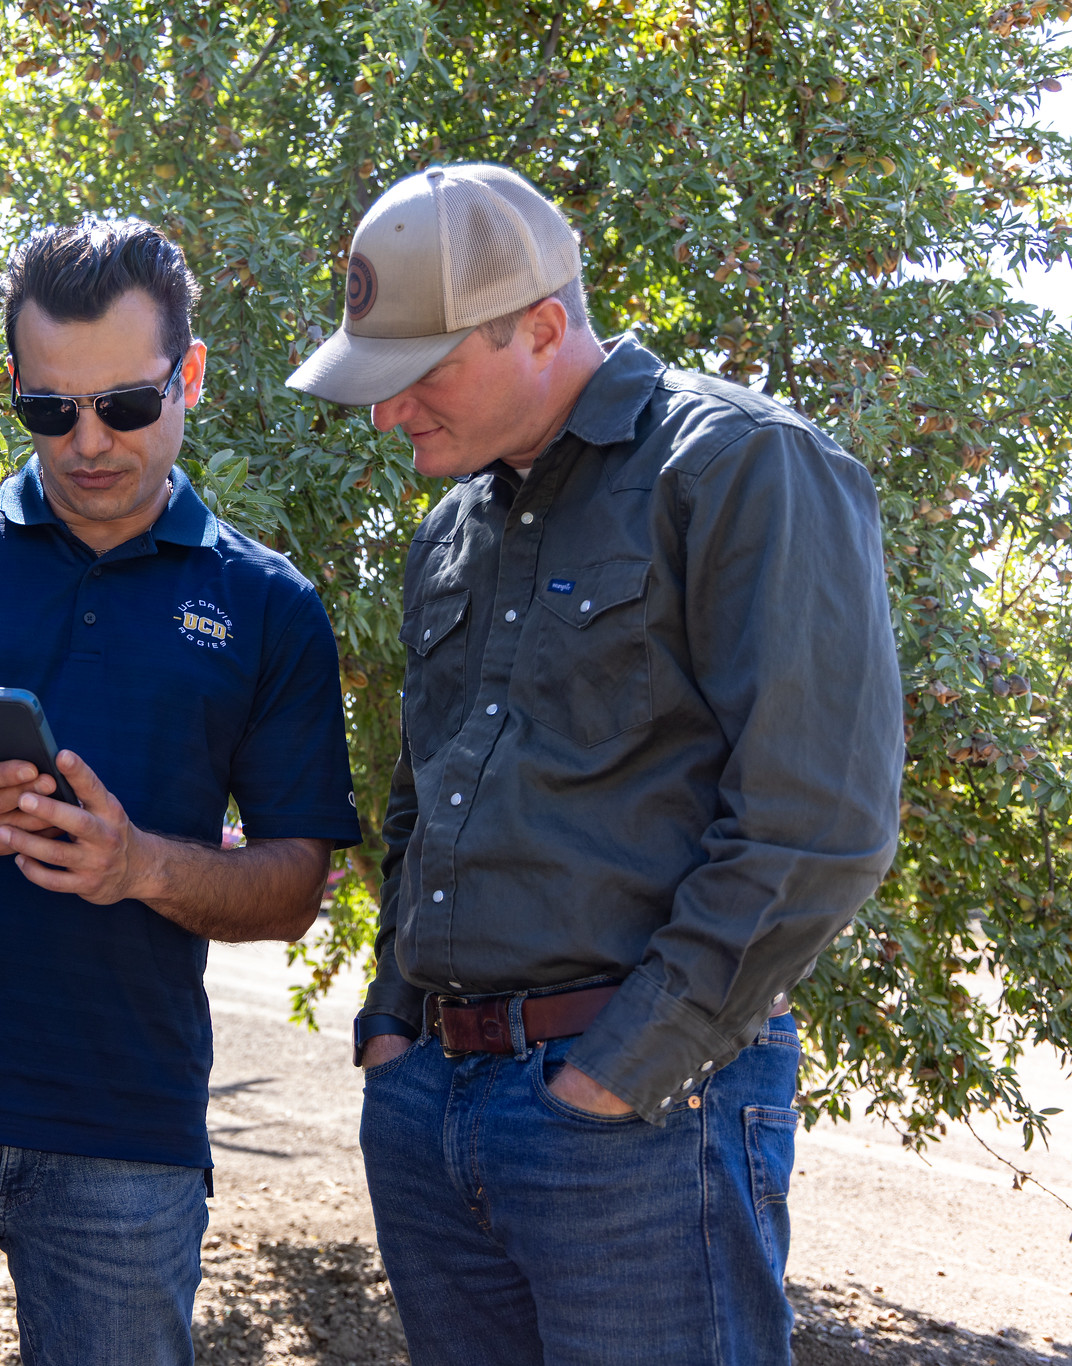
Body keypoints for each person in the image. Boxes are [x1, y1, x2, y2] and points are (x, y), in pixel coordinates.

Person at [286, 163, 903, 1364]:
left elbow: (814, 823)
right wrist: (392, 1027)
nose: (387, 412)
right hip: (434, 1101)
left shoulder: (738, 467)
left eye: (417, 373)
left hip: (634, 1116)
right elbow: (426, 797)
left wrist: (616, 1079)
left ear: (543, 327)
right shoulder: (450, 528)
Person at [0, 216, 362, 1365]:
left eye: (125, 407)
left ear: (187, 375)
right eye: (50, 410)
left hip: (123, 1136)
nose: (87, 440)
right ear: (15, 389)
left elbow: (293, 885)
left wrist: (138, 866)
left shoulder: (270, 606)